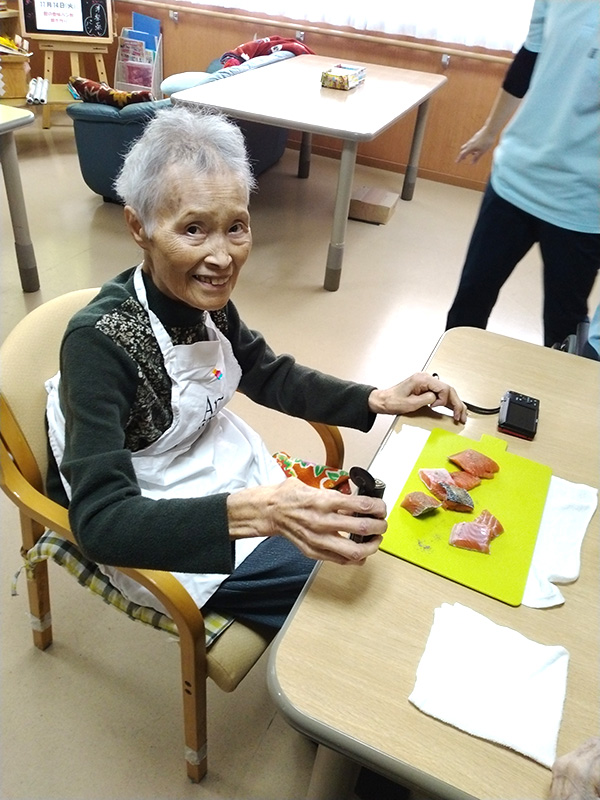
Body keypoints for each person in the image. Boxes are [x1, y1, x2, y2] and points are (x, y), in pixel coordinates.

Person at [45, 105, 467, 631]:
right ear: (139, 226)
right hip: (148, 503)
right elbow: (100, 522)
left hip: (213, 463)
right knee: (345, 592)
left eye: (236, 227)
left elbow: (267, 372)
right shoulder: (100, 343)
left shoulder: (207, 301)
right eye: (194, 230)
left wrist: (373, 399)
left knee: (372, 552)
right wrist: (261, 513)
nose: (222, 258)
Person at [446, 0, 600, 347]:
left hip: (581, 204)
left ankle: (562, 401)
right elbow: (529, 57)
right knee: (471, 299)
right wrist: (490, 131)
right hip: (514, 178)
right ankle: (442, 390)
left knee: (565, 328)